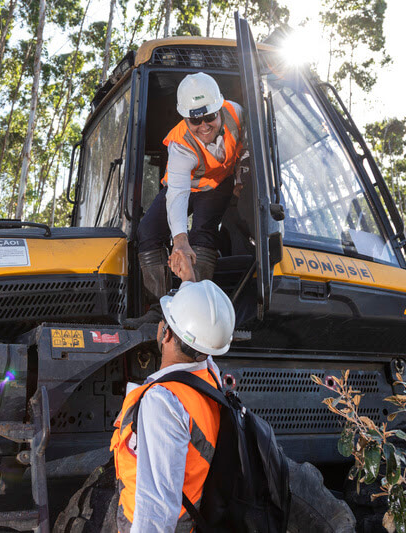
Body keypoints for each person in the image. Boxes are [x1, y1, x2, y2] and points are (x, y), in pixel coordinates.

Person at [109, 274, 236, 532]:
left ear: (165, 334)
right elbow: (203, 329)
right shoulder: (209, 375)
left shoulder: (164, 402)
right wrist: (188, 278)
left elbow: (157, 508)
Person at [137, 72, 247, 305]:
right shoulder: (180, 144)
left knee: (203, 231)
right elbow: (178, 193)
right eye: (195, 121)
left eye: (210, 117)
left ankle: (197, 305)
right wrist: (179, 240)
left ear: (219, 109)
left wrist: (240, 179)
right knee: (148, 230)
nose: (204, 126)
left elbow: (247, 147)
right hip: (185, 187)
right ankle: (159, 307)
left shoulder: (236, 113)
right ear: (186, 119)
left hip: (217, 185)